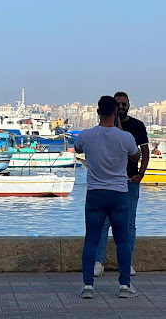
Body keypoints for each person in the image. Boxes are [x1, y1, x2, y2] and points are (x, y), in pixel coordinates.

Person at [74, 95, 140, 299]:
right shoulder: (125, 137)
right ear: (115, 113)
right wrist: (120, 132)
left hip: (95, 194)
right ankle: (124, 286)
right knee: (122, 240)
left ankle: (88, 286)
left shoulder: (86, 135)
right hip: (119, 194)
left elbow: (78, 148)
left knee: (91, 240)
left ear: (97, 112)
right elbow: (135, 155)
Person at [94, 91, 149, 277]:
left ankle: (127, 263)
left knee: (129, 224)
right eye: (118, 104)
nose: (121, 107)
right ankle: (98, 262)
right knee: (103, 224)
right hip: (110, 183)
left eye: (124, 104)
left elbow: (143, 151)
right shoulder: (104, 128)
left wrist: (140, 174)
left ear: (129, 105)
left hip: (130, 181)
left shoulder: (137, 126)